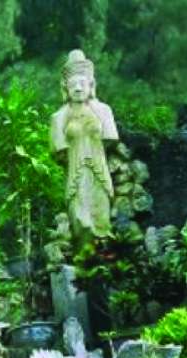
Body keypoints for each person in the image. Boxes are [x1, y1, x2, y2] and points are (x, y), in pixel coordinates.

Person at [50, 49, 119, 240]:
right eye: (73, 84)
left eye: (82, 83)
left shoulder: (103, 111)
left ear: (91, 85)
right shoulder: (58, 118)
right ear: (65, 88)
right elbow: (58, 151)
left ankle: (103, 259)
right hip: (75, 176)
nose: (78, 88)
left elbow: (111, 139)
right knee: (82, 222)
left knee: (102, 221)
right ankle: (83, 259)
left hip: (100, 174)